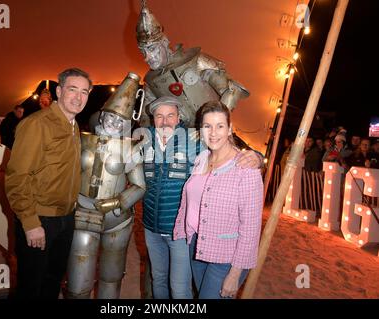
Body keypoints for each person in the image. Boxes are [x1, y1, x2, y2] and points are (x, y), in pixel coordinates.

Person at [142, 96, 262, 299]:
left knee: (180, 289)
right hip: (170, 233)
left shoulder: (196, 145)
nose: (165, 121)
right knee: (159, 279)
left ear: (179, 117)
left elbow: (251, 227)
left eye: (170, 115)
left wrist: (257, 156)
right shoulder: (148, 144)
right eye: (159, 116)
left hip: (187, 236)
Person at [5, 68, 92, 299]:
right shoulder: (38, 124)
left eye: (84, 92)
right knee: (30, 287)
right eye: (73, 90)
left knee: (52, 281)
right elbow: (17, 177)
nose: (78, 97)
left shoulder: (74, 128)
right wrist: (31, 222)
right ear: (59, 91)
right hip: (39, 218)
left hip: (65, 218)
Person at [66, 73, 146, 299]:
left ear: (126, 124)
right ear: (101, 116)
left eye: (120, 120)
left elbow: (139, 186)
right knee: (77, 280)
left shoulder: (131, 149)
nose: (113, 123)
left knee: (111, 278)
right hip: (83, 213)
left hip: (117, 220)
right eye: (110, 116)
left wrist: (117, 201)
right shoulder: (80, 140)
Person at [135, 0, 249, 128]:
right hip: (185, 141)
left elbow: (232, 90)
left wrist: (214, 124)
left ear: (165, 42)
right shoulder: (151, 83)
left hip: (216, 134)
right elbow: (146, 116)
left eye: (151, 49)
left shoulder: (197, 61)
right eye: (142, 51)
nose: (147, 57)